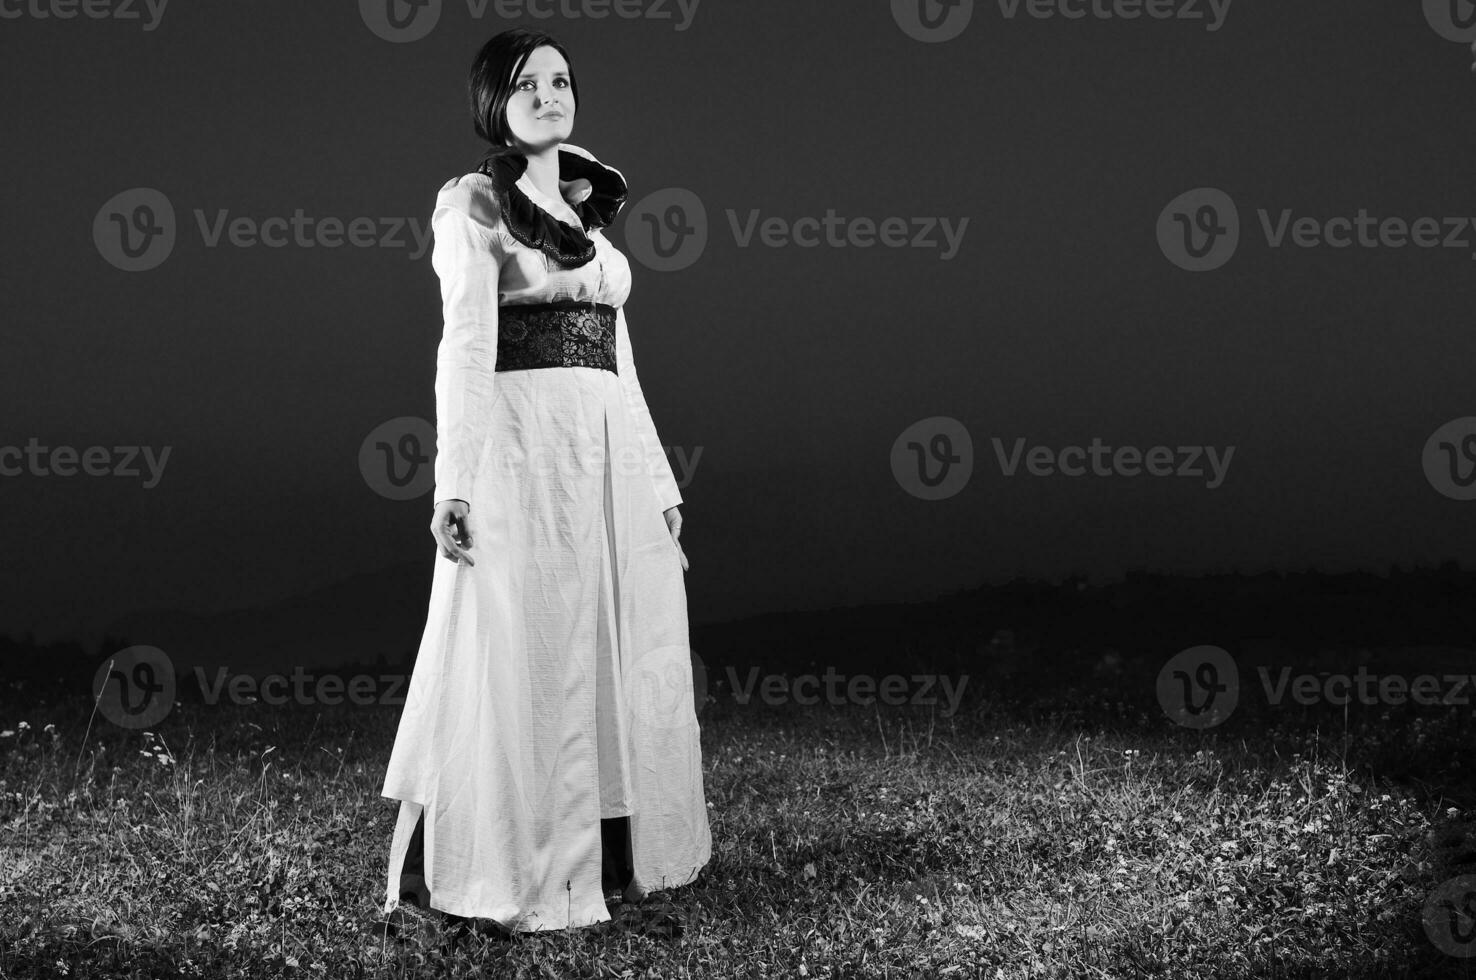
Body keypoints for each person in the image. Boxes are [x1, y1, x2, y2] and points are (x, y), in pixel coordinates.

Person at [378, 27, 711, 935]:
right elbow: (466, 348)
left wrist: (659, 483)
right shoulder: (474, 203)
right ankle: (504, 866)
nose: (549, 95)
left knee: (621, 640)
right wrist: (456, 483)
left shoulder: (586, 212)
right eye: (527, 84)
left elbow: (621, 365)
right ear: (496, 101)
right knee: (528, 642)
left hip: (604, 451)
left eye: (561, 80)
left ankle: (615, 859)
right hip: (525, 453)